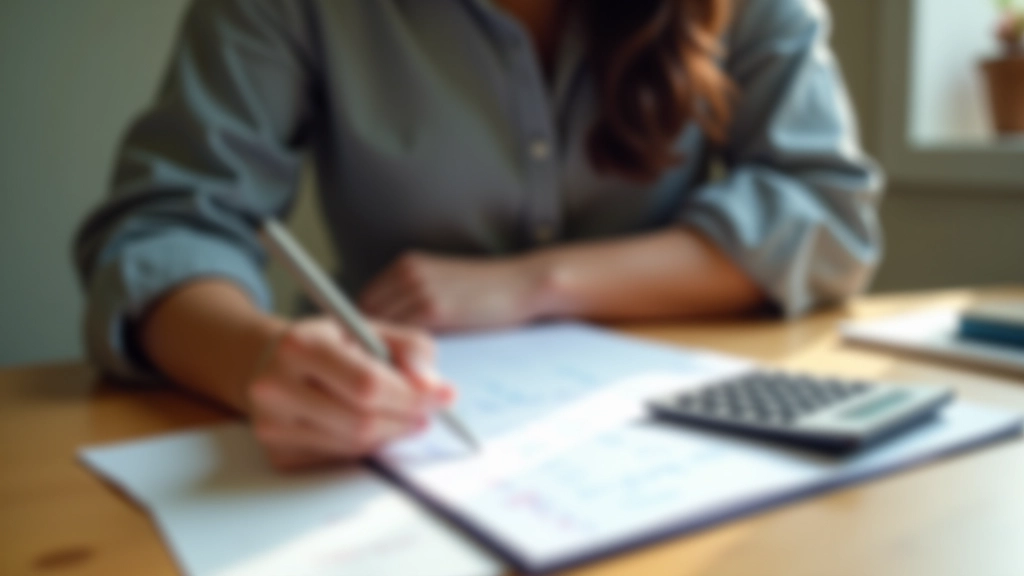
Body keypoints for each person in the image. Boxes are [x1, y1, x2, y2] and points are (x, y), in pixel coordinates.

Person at [74, 0, 882, 469]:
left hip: (675, 443)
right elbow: (166, 223)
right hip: (372, 442)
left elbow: (829, 213)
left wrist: (536, 283)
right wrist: (257, 359)